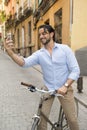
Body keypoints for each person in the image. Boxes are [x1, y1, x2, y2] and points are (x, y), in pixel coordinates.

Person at [4, 24, 80, 130]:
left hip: (65, 89)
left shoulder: (65, 49)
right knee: (41, 120)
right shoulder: (39, 54)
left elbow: (75, 70)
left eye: (44, 33)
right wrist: (10, 52)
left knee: (72, 120)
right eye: (40, 34)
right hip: (48, 89)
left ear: (52, 34)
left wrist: (66, 86)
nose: (41, 36)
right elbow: (24, 63)